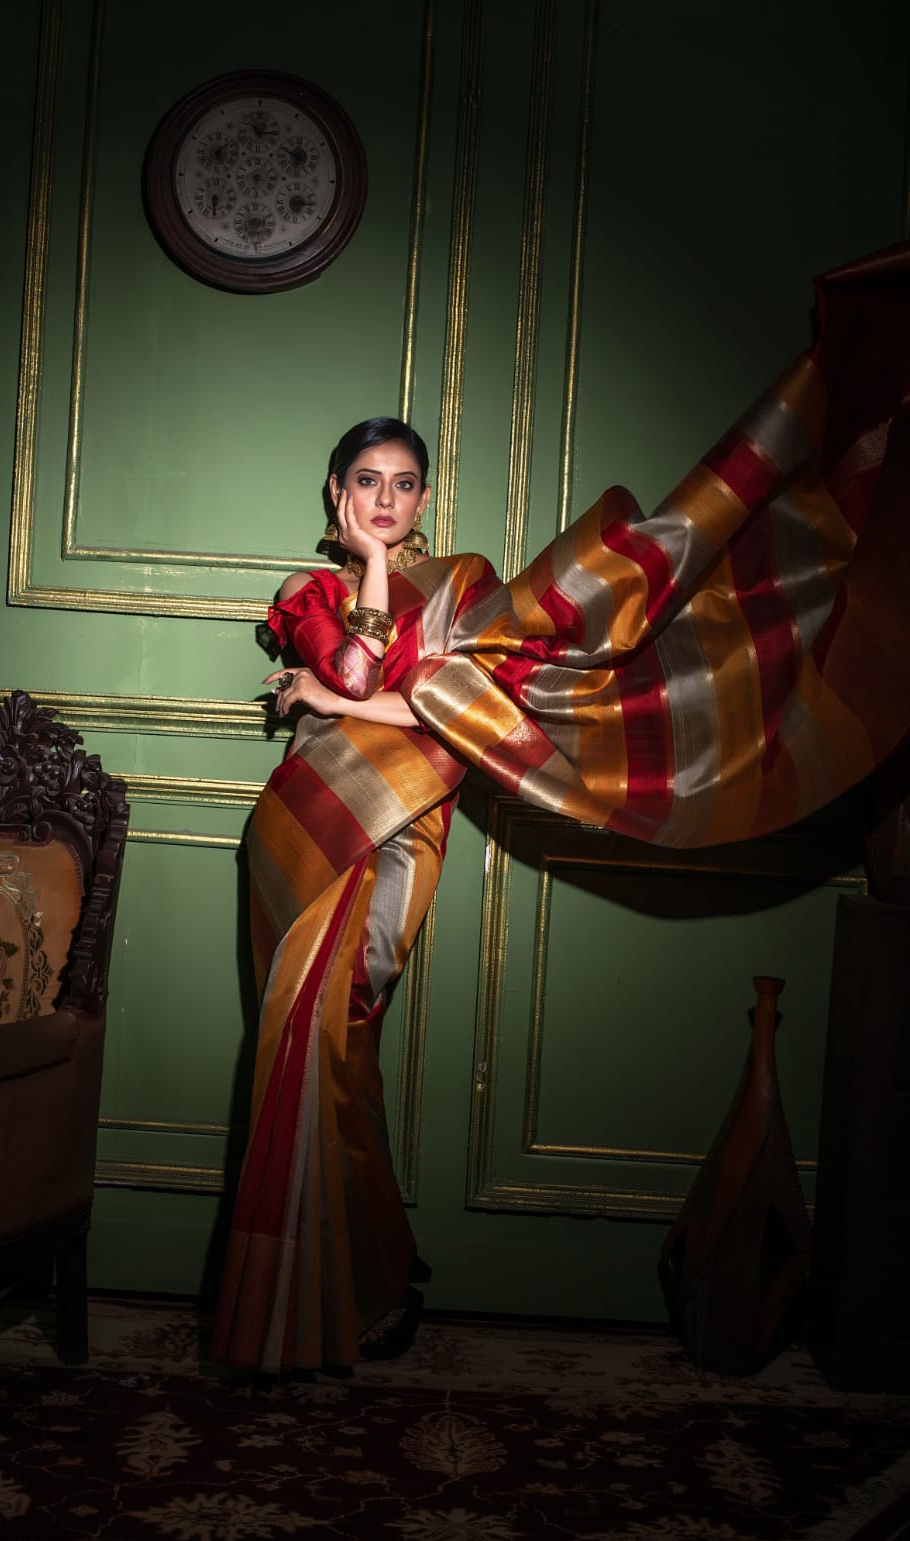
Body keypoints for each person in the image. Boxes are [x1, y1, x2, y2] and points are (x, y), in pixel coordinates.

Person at [209, 243, 910, 1377]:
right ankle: (347, 1292)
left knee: (345, 1049)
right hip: (303, 838)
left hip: (400, 838)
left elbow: (400, 703)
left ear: (424, 497)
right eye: (363, 484)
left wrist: (362, 688)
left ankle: (360, 1273)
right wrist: (364, 638)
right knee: (312, 1051)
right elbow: (350, 671)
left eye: (401, 485)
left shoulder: (470, 589)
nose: (384, 502)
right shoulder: (306, 594)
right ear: (334, 496)